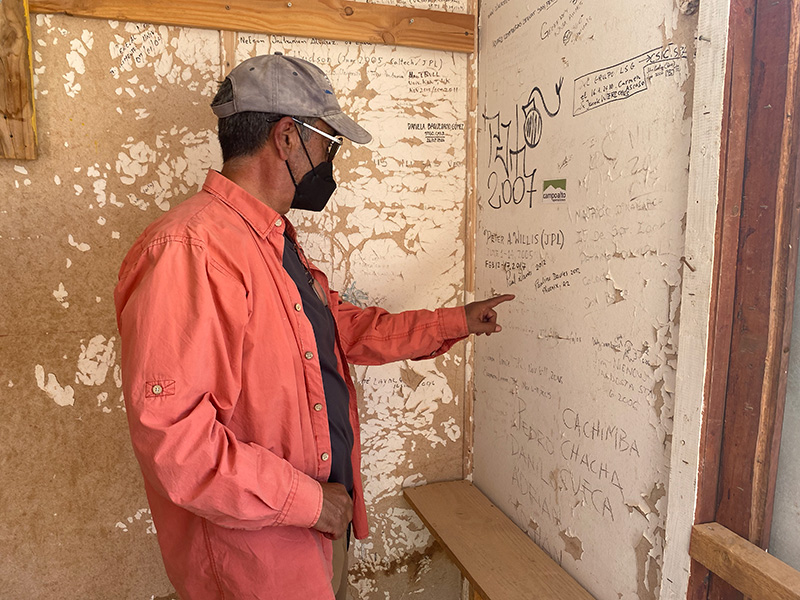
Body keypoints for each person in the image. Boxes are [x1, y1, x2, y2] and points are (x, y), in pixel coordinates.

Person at [114, 53, 513, 600]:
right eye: (328, 142)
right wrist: (308, 501)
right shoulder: (192, 250)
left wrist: (454, 321)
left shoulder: (273, 242)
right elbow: (177, 443)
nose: (331, 160)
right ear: (286, 137)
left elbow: (343, 332)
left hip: (315, 534)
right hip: (257, 564)